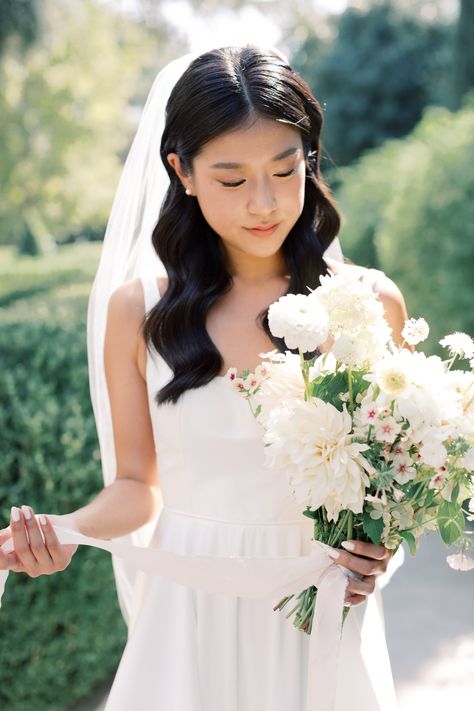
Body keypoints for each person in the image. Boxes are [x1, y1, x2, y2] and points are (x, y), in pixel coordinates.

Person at [0, 45, 409, 709]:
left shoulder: (369, 303)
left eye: (285, 169)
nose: (264, 202)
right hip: (188, 617)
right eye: (231, 178)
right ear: (181, 171)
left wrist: (379, 547)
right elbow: (138, 485)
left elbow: (397, 479)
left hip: (319, 610)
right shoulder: (139, 311)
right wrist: (68, 530)